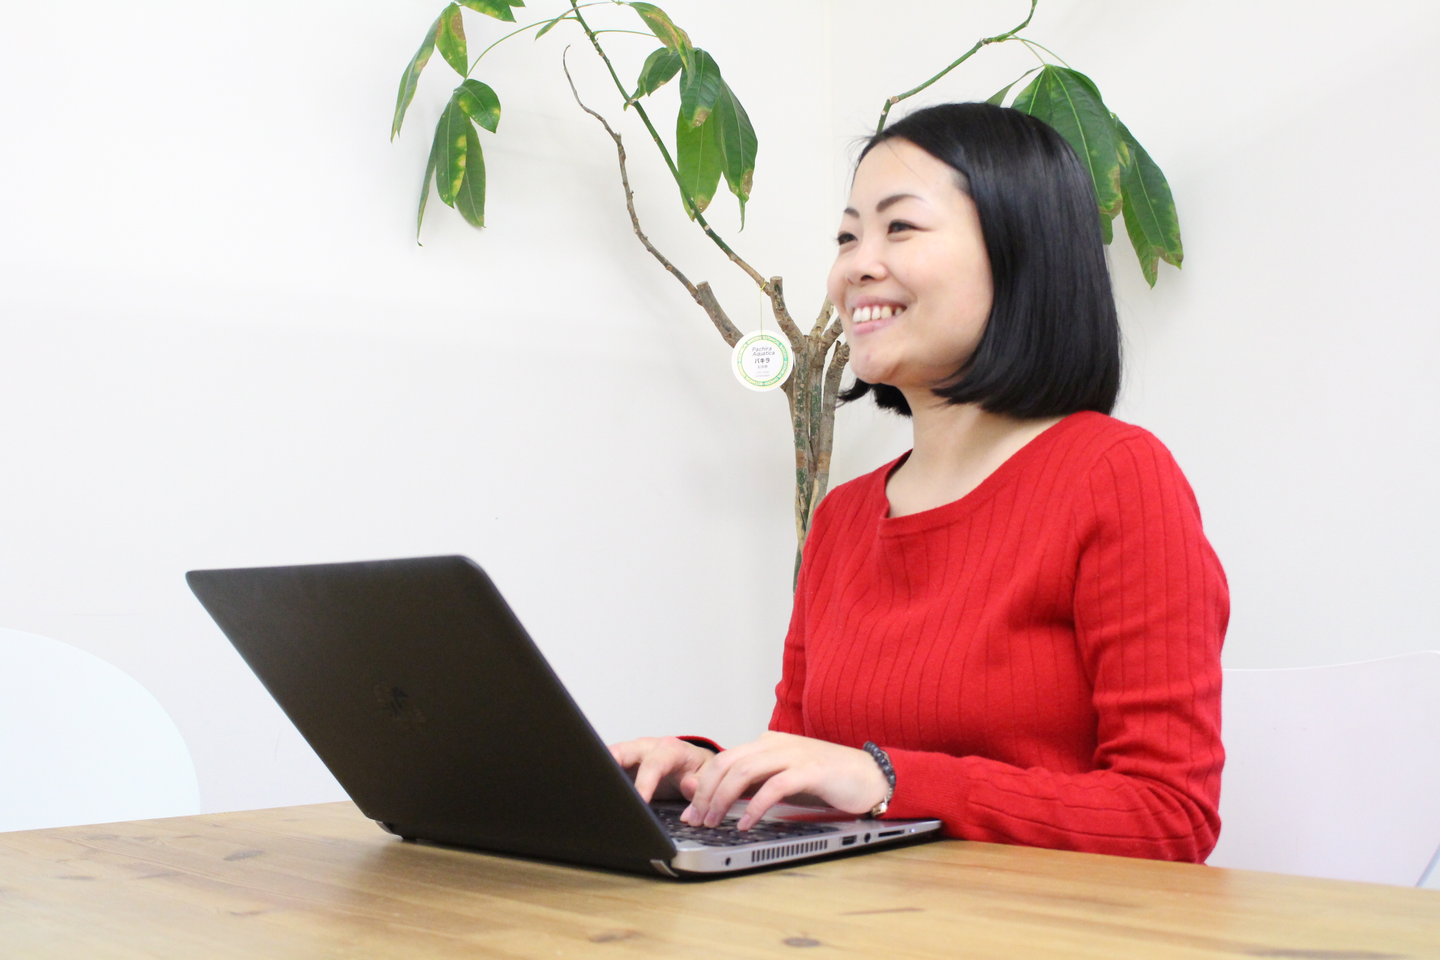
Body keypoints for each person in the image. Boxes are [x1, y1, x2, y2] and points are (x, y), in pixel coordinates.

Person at [610, 102, 1228, 863]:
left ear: (1020, 251)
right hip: (853, 917)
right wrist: (710, 775)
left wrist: (888, 780)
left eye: (899, 227)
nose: (855, 266)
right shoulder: (843, 517)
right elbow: (807, 765)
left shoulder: (1116, 477)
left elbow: (1171, 817)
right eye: (847, 237)